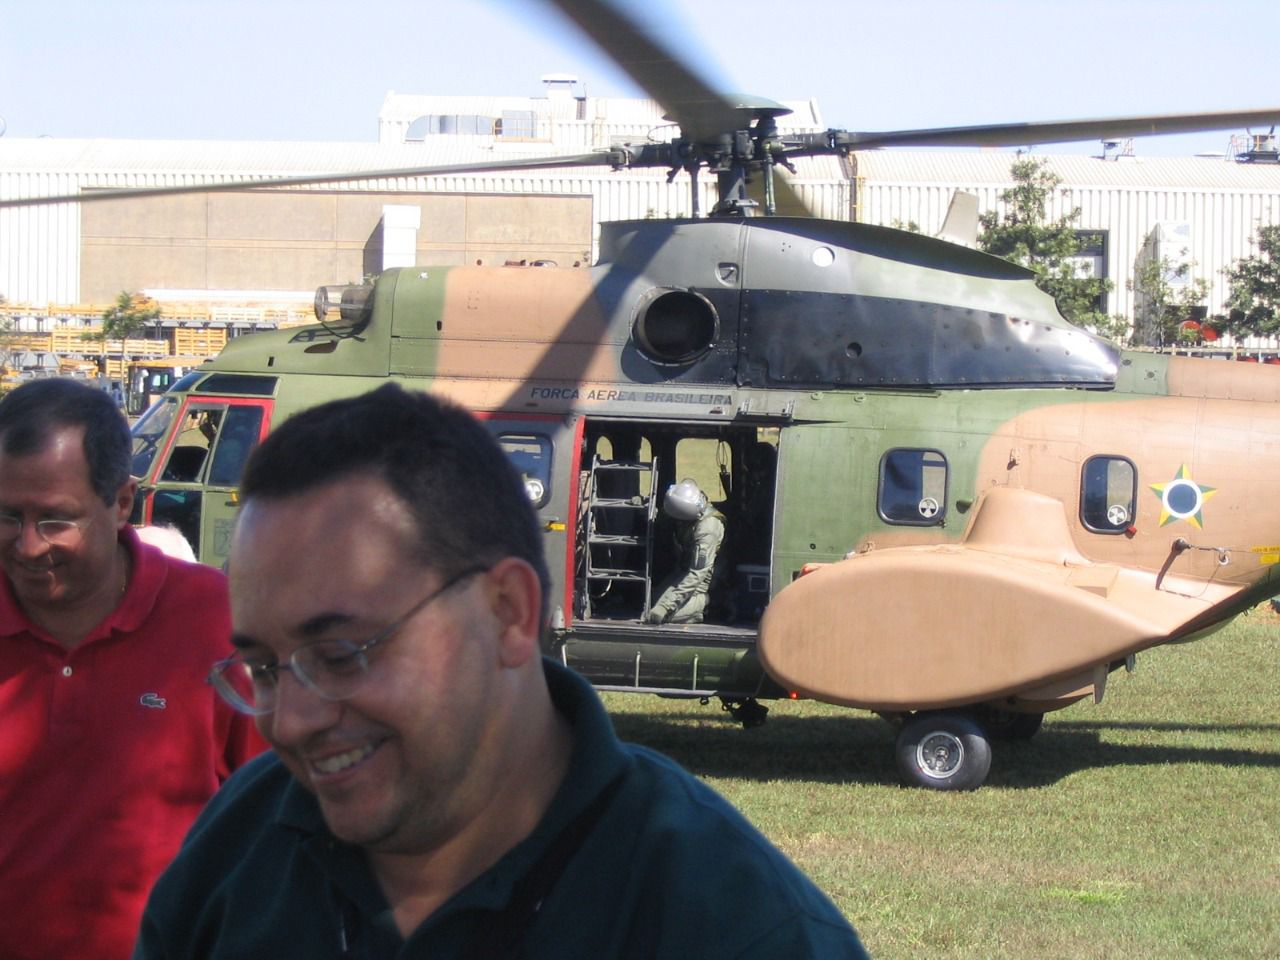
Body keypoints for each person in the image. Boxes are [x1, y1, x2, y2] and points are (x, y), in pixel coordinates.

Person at [134, 383, 868, 958]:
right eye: (262, 667)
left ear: (508, 613)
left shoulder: (730, 924)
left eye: (340, 655)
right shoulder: (242, 845)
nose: (289, 721)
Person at [0, 378, 265, 960]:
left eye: (53, 521)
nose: (25, 546)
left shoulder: (216, 620)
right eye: (7, 516)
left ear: (121, 503)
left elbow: (278, 815)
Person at [644, 478, 729, 624]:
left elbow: (697, 574)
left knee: (664, 615)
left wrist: (666, 606)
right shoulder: (686, 515)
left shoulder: (707, 528)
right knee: (651, 603)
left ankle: (709, 602)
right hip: (685, 571)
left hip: (706, 580)